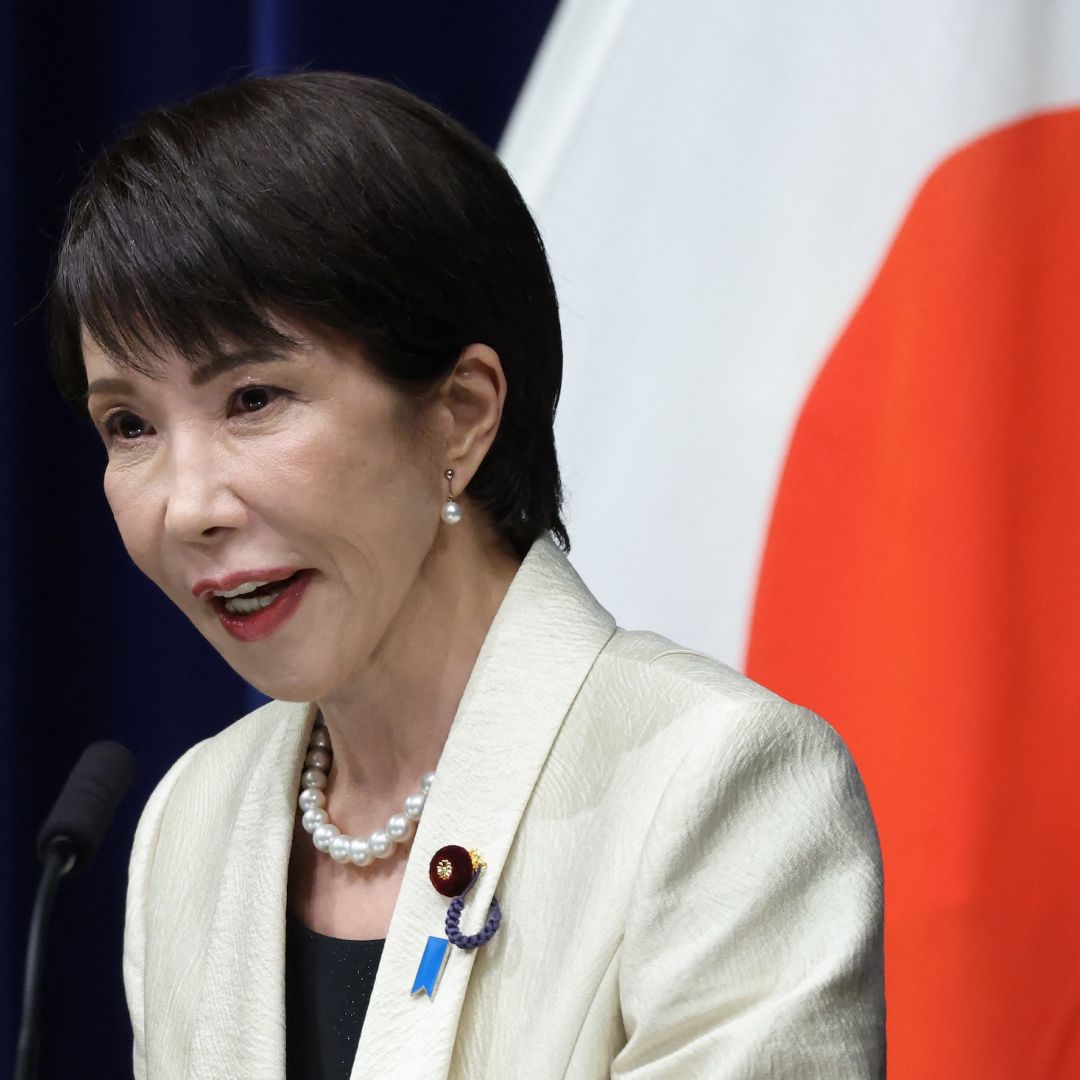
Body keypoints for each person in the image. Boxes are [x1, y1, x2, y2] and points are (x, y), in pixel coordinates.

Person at [50, 72, 885, 1079]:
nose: (188, 507)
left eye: (254, 398)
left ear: (460, 414)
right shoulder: (194, 818)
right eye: (129, 425)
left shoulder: (715, 786)